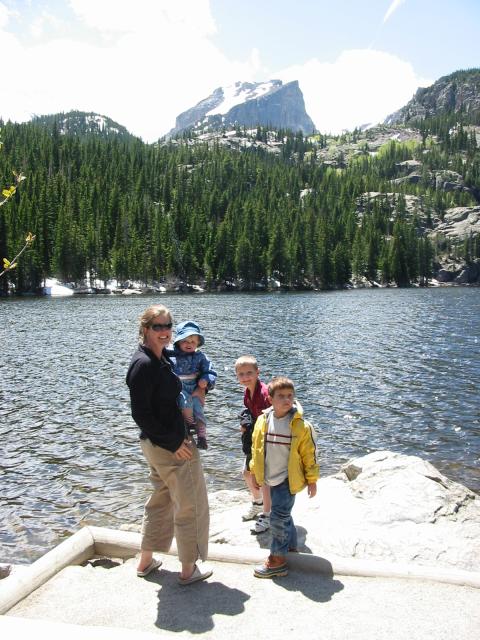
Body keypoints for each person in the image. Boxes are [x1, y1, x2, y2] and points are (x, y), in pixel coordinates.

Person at [126, 304, 212, 585]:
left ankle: (146, 561)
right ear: (145, 329)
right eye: (157, 327)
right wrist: (175, 442)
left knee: (161, 500)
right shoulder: (144, 364)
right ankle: (189, 569)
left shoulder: (161, 358)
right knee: (191, 503)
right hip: (170, 446)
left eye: (167, 326)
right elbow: (141, 414)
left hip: (156, 445)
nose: (164, 332)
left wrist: (201, 386)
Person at [250, 376, 319, 578]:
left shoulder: (300, 426)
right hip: (269, 475)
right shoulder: (263, 421)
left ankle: (277, 559)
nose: (286, 400)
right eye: (281, 396)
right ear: (270, 399)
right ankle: (291, 547)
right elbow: (256, 449)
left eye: (290, 396)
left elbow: (309, 454)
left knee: (278, 518)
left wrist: (312, 480)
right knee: (283, 515)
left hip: (287, 479)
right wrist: (255, 472)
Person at [235, 355, 272, 532]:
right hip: (254, 439)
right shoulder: (247, 392)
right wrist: (245, 423)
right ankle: (258, 503)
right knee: (247, 473)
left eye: (249, 373)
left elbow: (273, 416)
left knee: (263, 478)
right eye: (241, 374)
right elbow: (249, 411)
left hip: (267, 441)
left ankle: (268, 514)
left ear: (258, 372)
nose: (245, 377)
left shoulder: (265, 393)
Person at [167, 320, 217, 450]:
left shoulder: (200, 357)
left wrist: (206, 380)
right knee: (185, 400)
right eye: (185, 341)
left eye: (193, 342)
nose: (189, 344)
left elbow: (210, 371)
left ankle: (202, 436)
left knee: (198, 408)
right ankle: (189, 424)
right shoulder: (170, 353)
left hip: (194, 387)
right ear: (178, 341)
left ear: (198, 343)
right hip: (179, 386)